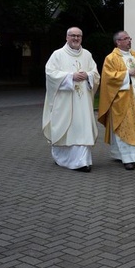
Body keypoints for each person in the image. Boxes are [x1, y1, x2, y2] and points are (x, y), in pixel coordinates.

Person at [42, 27, 99, 172]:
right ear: (67, 37)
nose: (76, 38)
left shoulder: (87, 54)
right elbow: (50, 74)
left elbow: (96, 74)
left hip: (83, 103)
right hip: (64, 101)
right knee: (64, 129)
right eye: (72, 35)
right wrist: (70, 77)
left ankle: (82, 161)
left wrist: (88, 76)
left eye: (78, 36)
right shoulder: (58, 54)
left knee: (82, 128)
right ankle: (61, 158)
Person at [98, 31, 135, 170]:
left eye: (130, 38)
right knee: (125, 128)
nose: (129, 41)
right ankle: (127, 158)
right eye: (126, 39)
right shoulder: (111, 58)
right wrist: (126, 74)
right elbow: (108, 78)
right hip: (122, 101)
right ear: (118, 42)